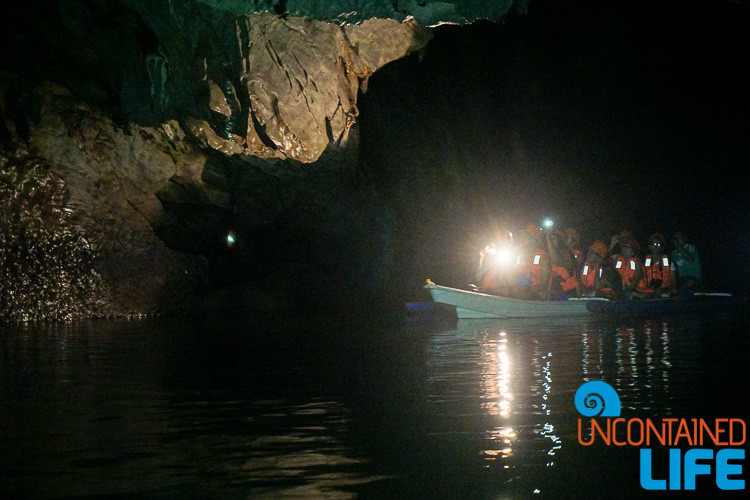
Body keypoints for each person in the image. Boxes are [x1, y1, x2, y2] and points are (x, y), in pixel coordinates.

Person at [514, 225, 550, 300]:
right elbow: (512, 275)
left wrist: (526, 289)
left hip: (536, 297)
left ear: (533, 239)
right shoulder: (517, 255)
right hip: (519, 295)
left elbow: (543, 285)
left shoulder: (542, 256)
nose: (522, 239)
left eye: (526, 236)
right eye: (522, 236)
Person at [475, 229, 515, 295]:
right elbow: (478, 276)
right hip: (484, 290)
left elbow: (508, 275)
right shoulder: (490, 253)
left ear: (508, 240)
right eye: (498, 238)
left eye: (502, 238)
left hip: (499, 292)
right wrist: (482, 257)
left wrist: (496, 254)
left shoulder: (512, 254)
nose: (499, 241)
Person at [546, 230, 580, 298]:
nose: (552, 241)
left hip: (567, 292)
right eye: (551, 239)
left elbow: (556, 261)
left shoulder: (566, 253)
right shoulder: (549, 254)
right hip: (554, 291)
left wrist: (548, 240)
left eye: (554, 239)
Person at [642, 232, 674, 297]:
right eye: (653, 244)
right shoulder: (643, 261)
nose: (656, 246)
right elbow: (641, 279)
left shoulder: (669, 261)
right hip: (648, 292)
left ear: (663, 247)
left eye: (658, 244)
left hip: (665, 292)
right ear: (649, 246)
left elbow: (674, 281)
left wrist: (663, 290)